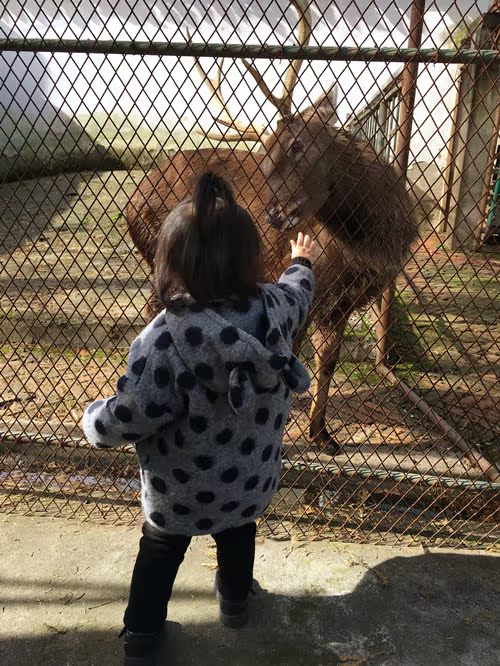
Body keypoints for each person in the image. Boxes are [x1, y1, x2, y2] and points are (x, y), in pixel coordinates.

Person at [82, 171, 320, 665]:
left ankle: (143, 638)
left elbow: (132, 413)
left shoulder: (164, 340)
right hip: (248, 482)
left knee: (160, 553)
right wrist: (302, 261)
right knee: (238, 534)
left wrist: (94, 421)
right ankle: (234, 603)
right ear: (254, 260)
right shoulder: (275, 310)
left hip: (180, 496)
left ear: (170, 265)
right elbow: (299, 291)